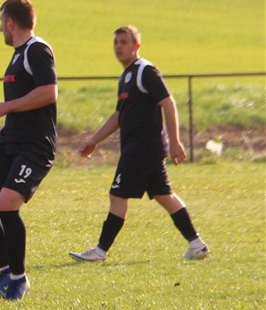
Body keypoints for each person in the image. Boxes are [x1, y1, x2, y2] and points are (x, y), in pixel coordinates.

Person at [69, 25, 209, 262]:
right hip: (144, 148)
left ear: (136, 46)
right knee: (164, 195)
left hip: (142, 147)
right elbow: (119, 115)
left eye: (124, 42)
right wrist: (94, 140)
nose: (118, 47)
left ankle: (100, 251)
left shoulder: (145, 71)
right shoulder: (126, 76)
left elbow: (168, 103)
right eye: (116, 43)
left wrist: (175, 141)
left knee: (117, 195)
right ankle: (197, 245)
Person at [0, 0, 58, 301]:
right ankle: (6, 271)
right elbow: (27, 105)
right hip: (11, 141)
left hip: (35, 146)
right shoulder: (18, 56)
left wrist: (5, 107)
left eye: (1, 23)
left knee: (7, 202)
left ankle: (19, 280)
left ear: (10, 22)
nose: (0, 30)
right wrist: (3, 131)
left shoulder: (37, 50)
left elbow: (48, 93)